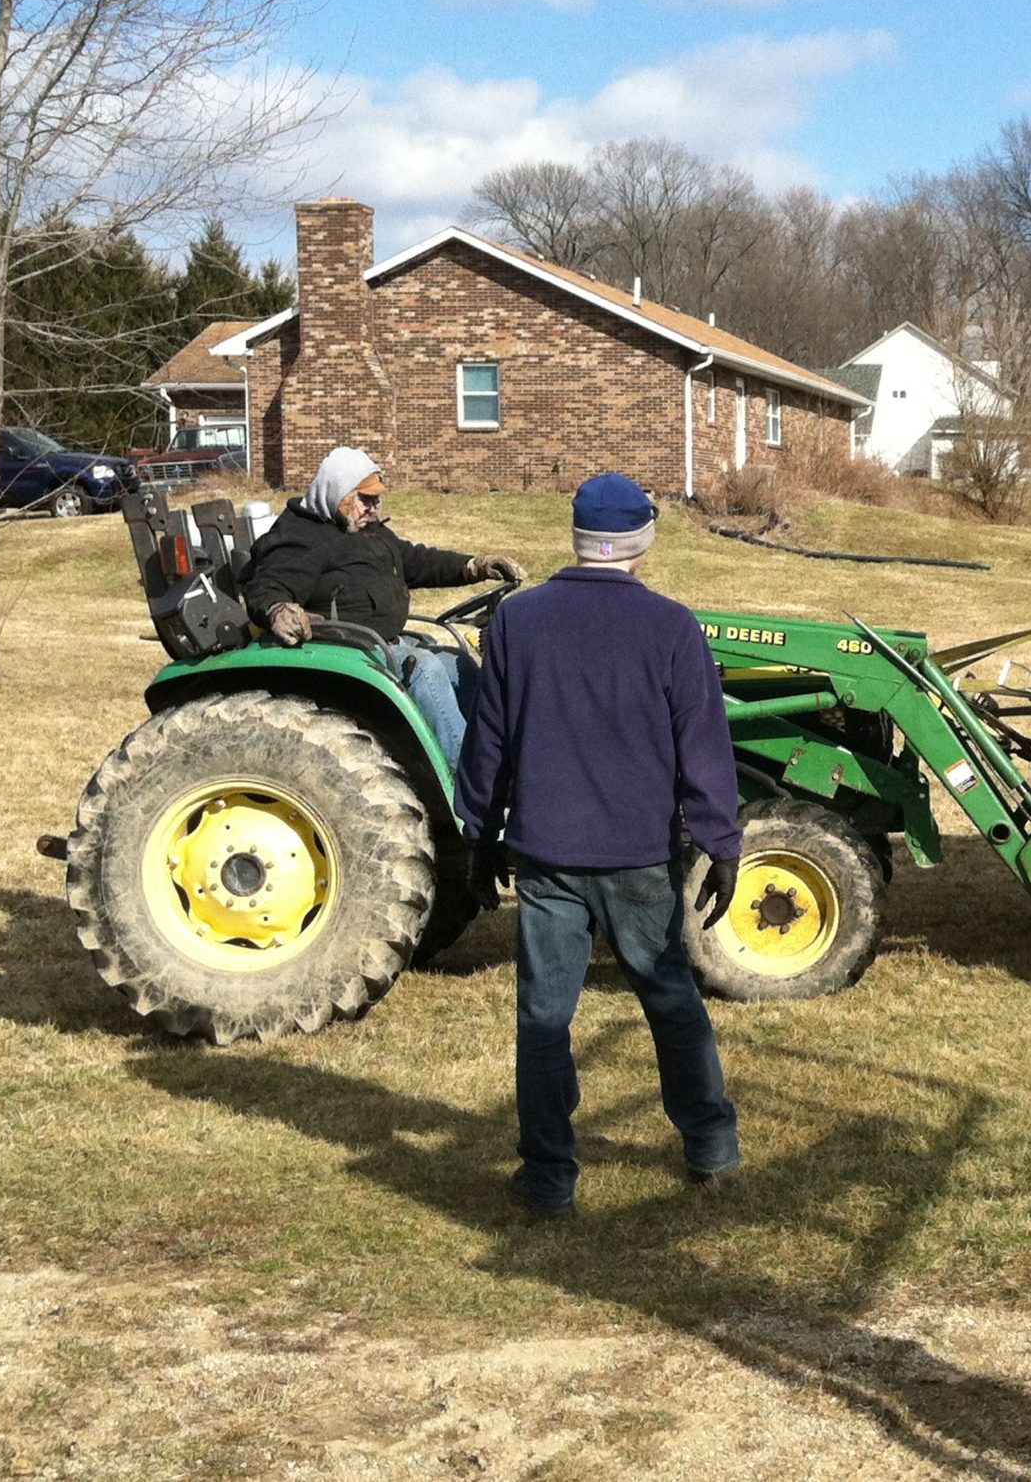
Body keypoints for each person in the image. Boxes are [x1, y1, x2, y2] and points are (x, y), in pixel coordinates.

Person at [453, 471, 742, 1219]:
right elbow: (704, 747)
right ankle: (711, 1147)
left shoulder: (517, 621)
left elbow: (488, 741)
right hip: (639, 853)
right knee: (671, 1001)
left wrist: (477, 835)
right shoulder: (672, 627)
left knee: (544, 1018)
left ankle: (549, 1179)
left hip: (546, 853)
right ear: (643, 542)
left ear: (577, 538)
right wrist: (722, 843)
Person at [240, 446, 523, 768]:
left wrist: (474, 566)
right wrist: (279, 610)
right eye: (366, 499)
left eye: (377, 500)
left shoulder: (367, 530)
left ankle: (495, 754)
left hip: (381, 642)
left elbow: (416, 560)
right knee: (425, 668)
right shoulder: (301, 537)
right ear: (338, 493)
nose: (374, 509)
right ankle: (468, 771)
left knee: (457, 661)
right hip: (345, 649)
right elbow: (267, 585)